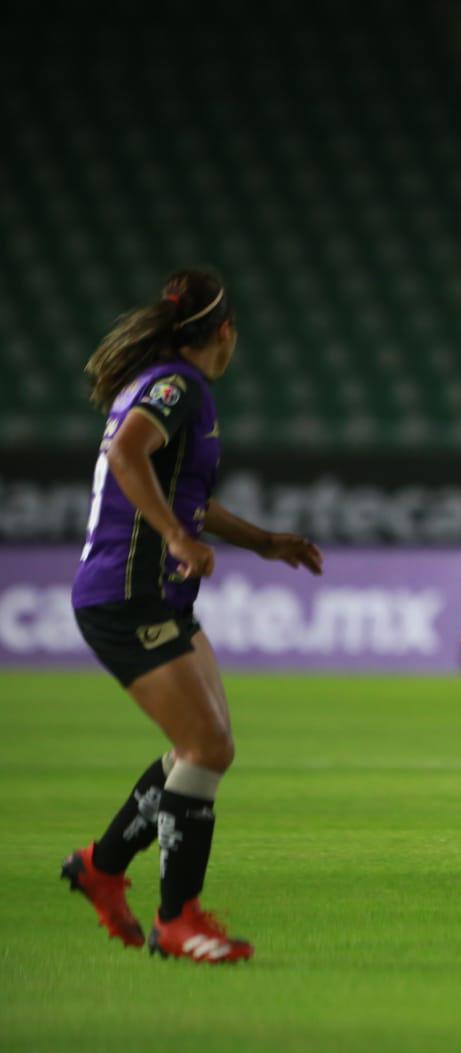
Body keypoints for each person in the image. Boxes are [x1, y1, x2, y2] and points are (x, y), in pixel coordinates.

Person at [61, 269, 323, 963]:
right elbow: (127, 454)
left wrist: (264, 542)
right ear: (226, 332)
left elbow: (183, 496)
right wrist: (177, 539)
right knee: (206, 750)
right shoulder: (178, 387)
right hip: (127, 593)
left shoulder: (166, 386)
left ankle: (101, 866)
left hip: (157, 594)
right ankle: (177, 919)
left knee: (201, 750)